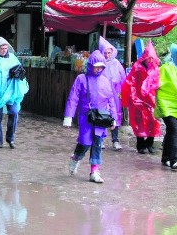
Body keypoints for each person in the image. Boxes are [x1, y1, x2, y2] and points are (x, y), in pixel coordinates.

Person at [63, 50, 117, 183]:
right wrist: (68, 117)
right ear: (91, 65)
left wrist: (114, 118)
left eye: (101, 66)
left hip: (101, 118)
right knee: (85, 142)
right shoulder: (81, 79)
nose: (98, 69)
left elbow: (111, 100)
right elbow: (73, 98)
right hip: (86, 117)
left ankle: (94, 170)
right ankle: (76, 158)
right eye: (96, 66)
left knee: (97, 143)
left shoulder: (106, 80)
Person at [121, 41, 161, 154]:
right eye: (148, 58)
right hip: (138, 99)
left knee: (153, 122)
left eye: (152, 58)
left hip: (151, 100)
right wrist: (131, 98)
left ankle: (150, 143)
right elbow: (129, 82)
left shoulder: (156, 69)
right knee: (139, 122)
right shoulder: (137, 67)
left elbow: (158, 84)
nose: (150, 60)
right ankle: (140, 145)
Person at [98, 37, 126, 151]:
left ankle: (115, 140)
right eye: (105, 52)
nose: (107, 55)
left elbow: (123, 77)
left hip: (115, 94)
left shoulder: (116, 63)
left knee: (115, 115)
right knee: (102, 115)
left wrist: (122, 92)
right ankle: (101, 140)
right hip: (102, 94)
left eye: (109, 52)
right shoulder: (99, 63)